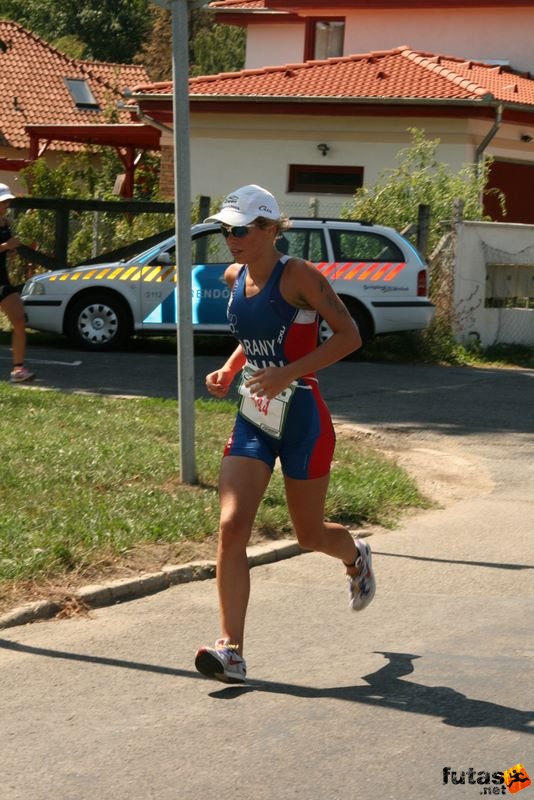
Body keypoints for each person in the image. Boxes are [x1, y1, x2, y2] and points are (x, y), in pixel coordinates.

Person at [194, 184, 376, 684]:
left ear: (271, 229)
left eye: (241, 229)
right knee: (232, 527)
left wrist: (288, 373)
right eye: (225, 230)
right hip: (253, 417)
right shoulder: (234, 276)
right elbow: (252, 338)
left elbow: (349, 337)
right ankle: (231, 649)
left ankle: (354, 555)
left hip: (303, 420)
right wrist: (232, 370)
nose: (230, 239)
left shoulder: (298, 275)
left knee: (308, 534)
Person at [0, 183, 34, 382]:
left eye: (7, 201)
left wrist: (11, 249)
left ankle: (18, 370)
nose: (6, 204)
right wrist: (5, 246)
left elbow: (7, 247)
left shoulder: (5, 223)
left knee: (20, 320)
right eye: (3, 201)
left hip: (2, 280)